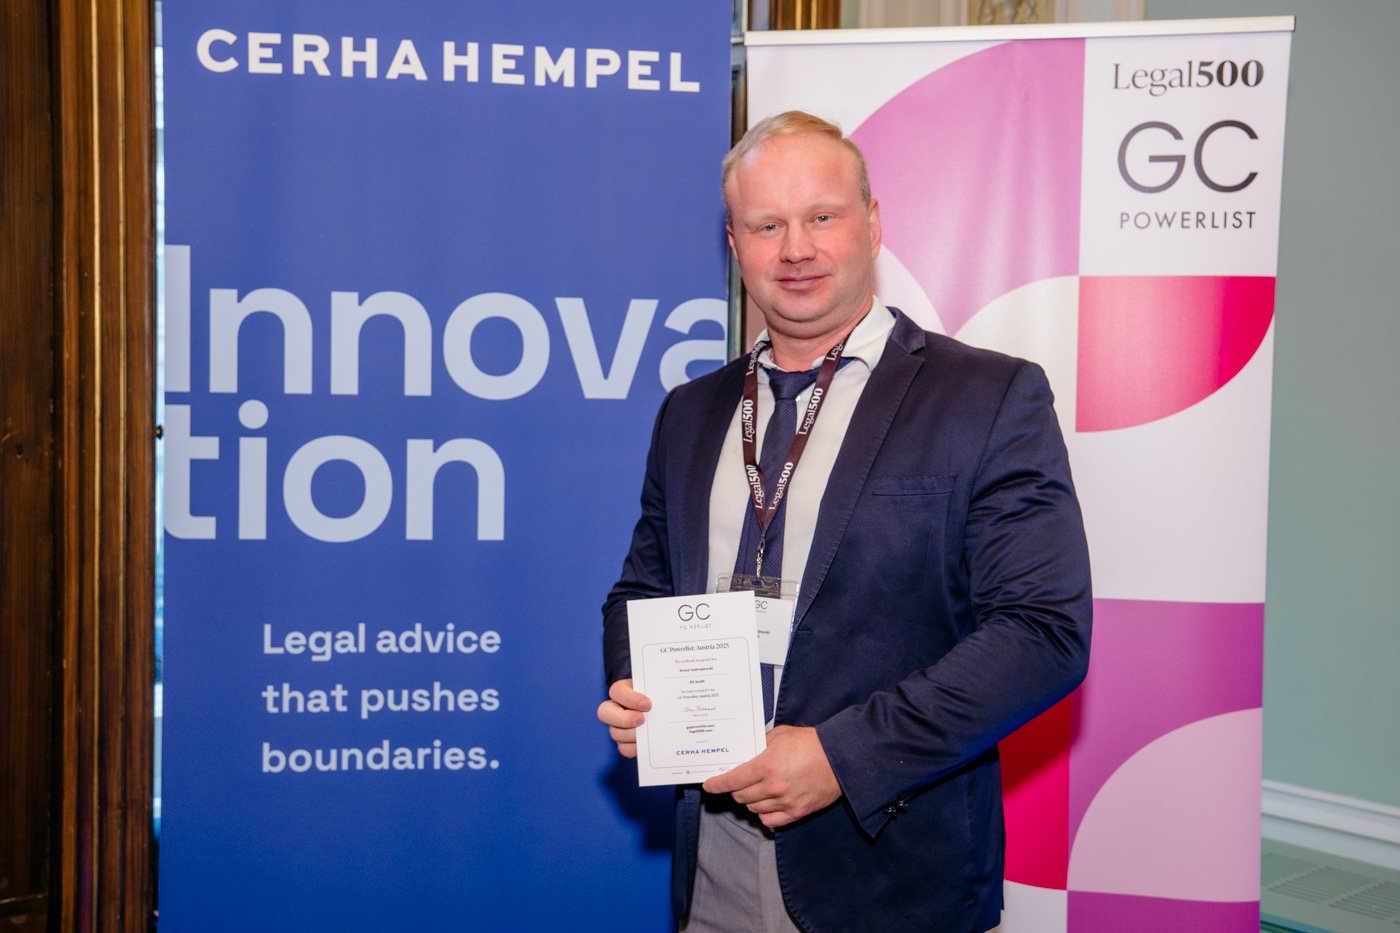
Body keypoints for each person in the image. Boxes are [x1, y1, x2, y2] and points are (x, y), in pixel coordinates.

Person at [597, 110, 1091, 933]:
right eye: (768, 225)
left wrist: (841, 757)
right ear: (735, 245)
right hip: (711, 859)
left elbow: (1043, 632)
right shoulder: (690, 412)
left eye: (821, 216)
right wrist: (640, 691)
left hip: (891, 871)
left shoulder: (987, 398)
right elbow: (640, 590)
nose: (796, 248)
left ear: (872, 223)